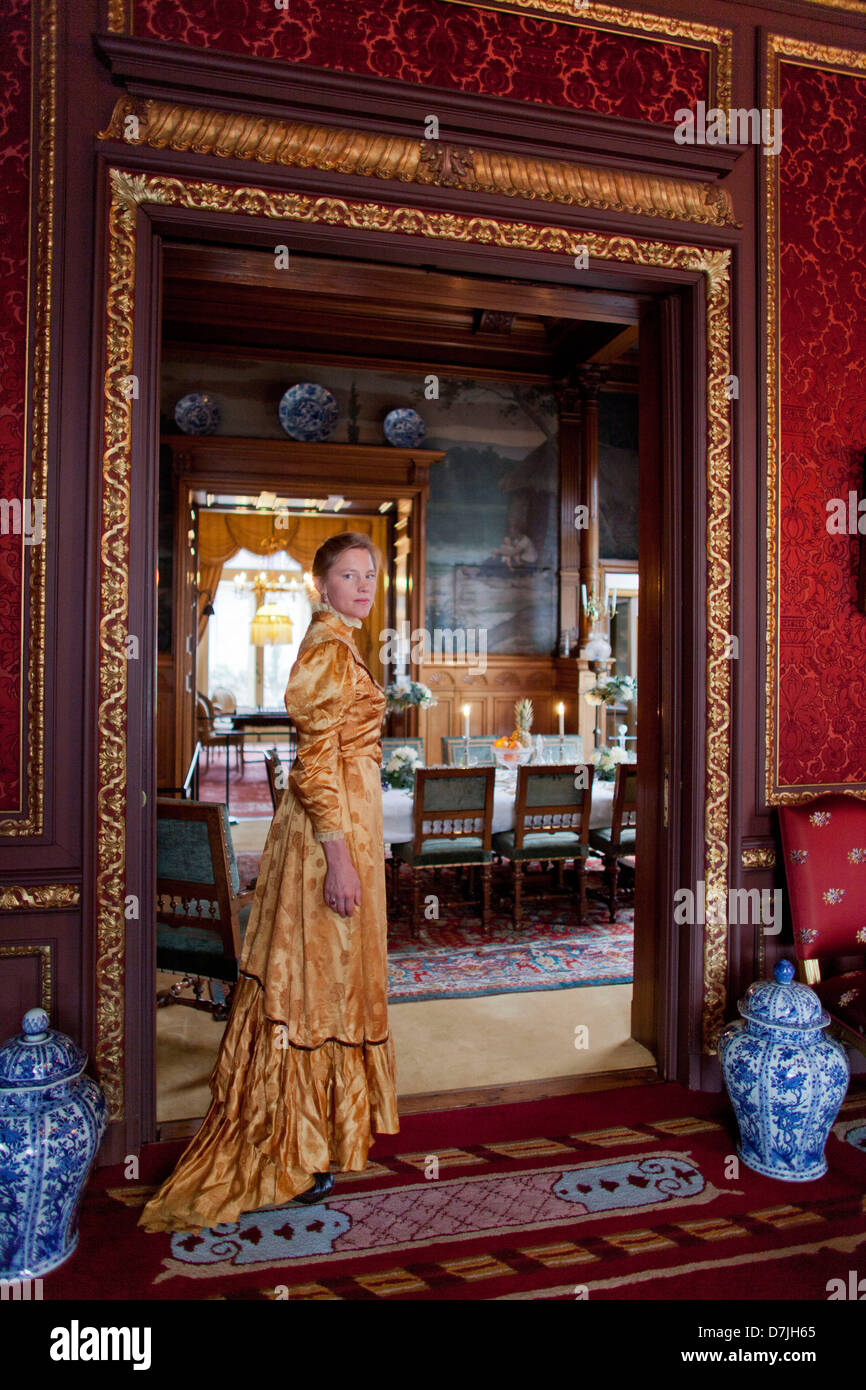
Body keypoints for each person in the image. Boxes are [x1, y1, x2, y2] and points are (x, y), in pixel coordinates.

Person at [139, 532, 399, 1232]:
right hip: (326, 843)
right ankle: (294, 1144)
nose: (363, 586)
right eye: (349, 576)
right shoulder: (323, 650)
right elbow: (314, 769)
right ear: (321, 584)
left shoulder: (342, 644)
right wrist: (340, 861)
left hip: (345, 830)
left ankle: (321, 1138)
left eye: (370, 574)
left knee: (332, 983)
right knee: (313, 985)